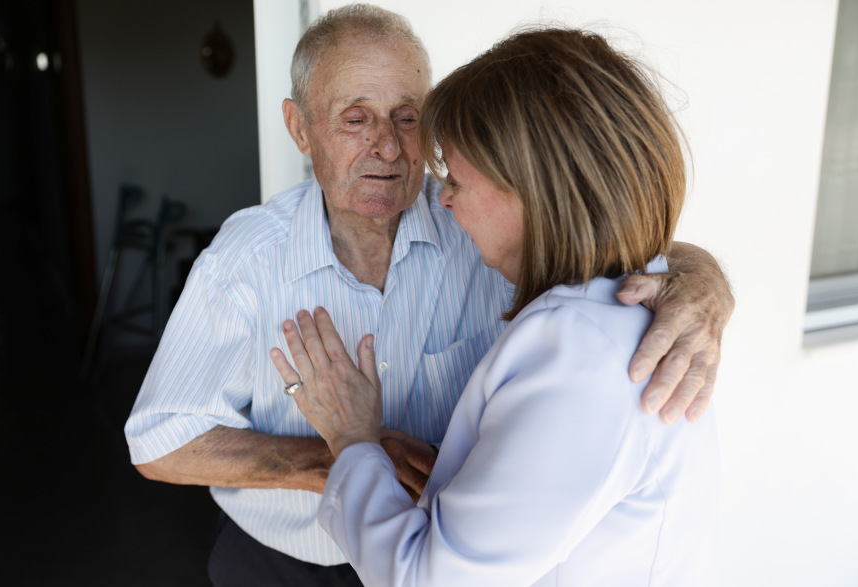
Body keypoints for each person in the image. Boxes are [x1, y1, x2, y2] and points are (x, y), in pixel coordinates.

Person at [125, 5, 732, 586]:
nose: (388, 146)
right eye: (356, 118)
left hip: (440, 554)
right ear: (299, 128)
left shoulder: (481, 218)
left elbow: (599, 235)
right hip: (282, 565)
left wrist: (703, 281)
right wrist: (331, 459)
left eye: (408, 117)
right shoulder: (244, 260)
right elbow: (160, 442)